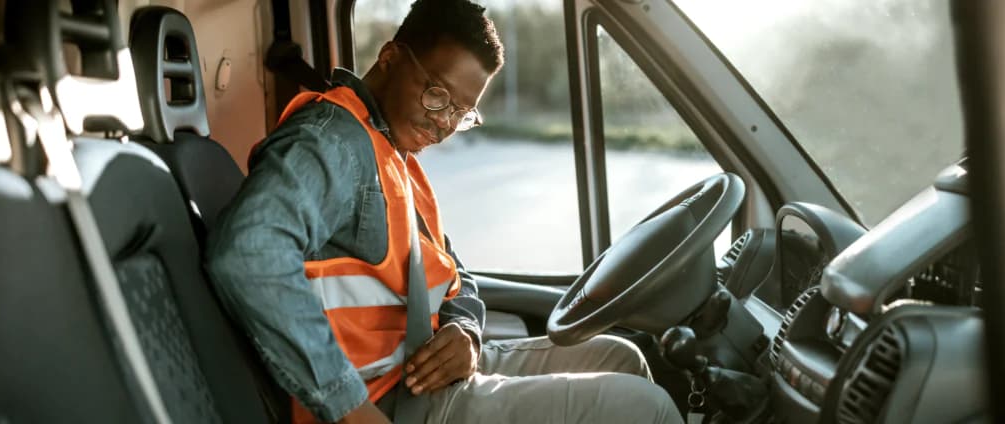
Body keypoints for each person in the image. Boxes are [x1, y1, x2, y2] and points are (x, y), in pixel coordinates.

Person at [205, 0, 683, 422]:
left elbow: (450, 272)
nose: (444, 124)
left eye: (461, 113)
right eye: (437, 96)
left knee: (621, 356)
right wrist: (349, 407)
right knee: (648, 409)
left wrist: (466, 329)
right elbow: (247, 252)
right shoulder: (332, 141)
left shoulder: (391, 152)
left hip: (422, 368)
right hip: (386, 400)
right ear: (390, 58)